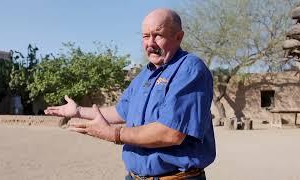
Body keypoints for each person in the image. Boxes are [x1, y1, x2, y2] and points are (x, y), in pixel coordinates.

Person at [45, 8, 216, 180]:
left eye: (158, 35)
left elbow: (171, 133)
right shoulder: (144, 75)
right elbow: (120, 112)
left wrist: (115, 134)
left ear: (178, 37)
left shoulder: (190, 69)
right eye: (145, 36)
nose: (150, 43)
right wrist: (79, 111)